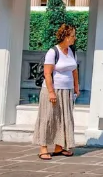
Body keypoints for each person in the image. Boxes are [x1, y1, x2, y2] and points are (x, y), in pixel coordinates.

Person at [35, 24, 79, 160]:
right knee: (48, 117)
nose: (74, 38)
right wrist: (51, 92)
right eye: (72, 36)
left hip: (67, 90)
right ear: (65, 37)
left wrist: (76, 86)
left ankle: (59, 147)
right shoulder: (53, 52)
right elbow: (47, 74)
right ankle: (43, 148)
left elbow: (74, 70)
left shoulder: (71, 51)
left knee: (64, 118)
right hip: (53, 89)